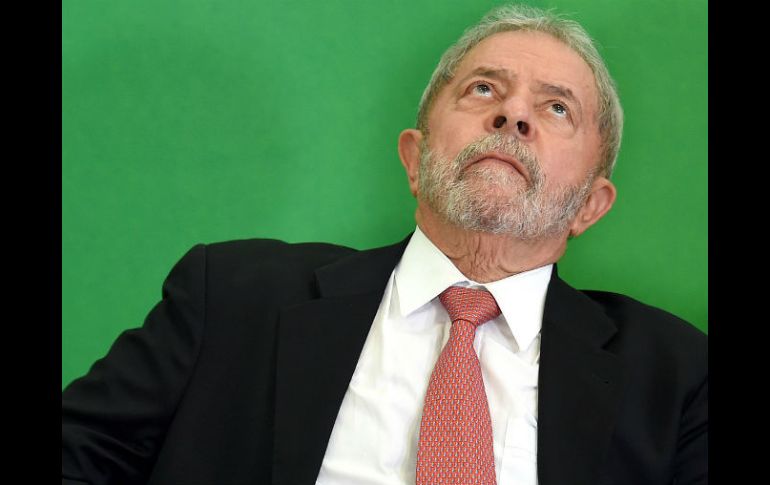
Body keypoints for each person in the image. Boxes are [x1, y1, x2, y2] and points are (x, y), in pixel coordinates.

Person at [62, 3, 707, 485]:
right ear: (415, 158)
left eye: (556, 107)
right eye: (483, 88)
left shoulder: (677, 376)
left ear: (590, 206)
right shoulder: (231, 296)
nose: (513, 115)